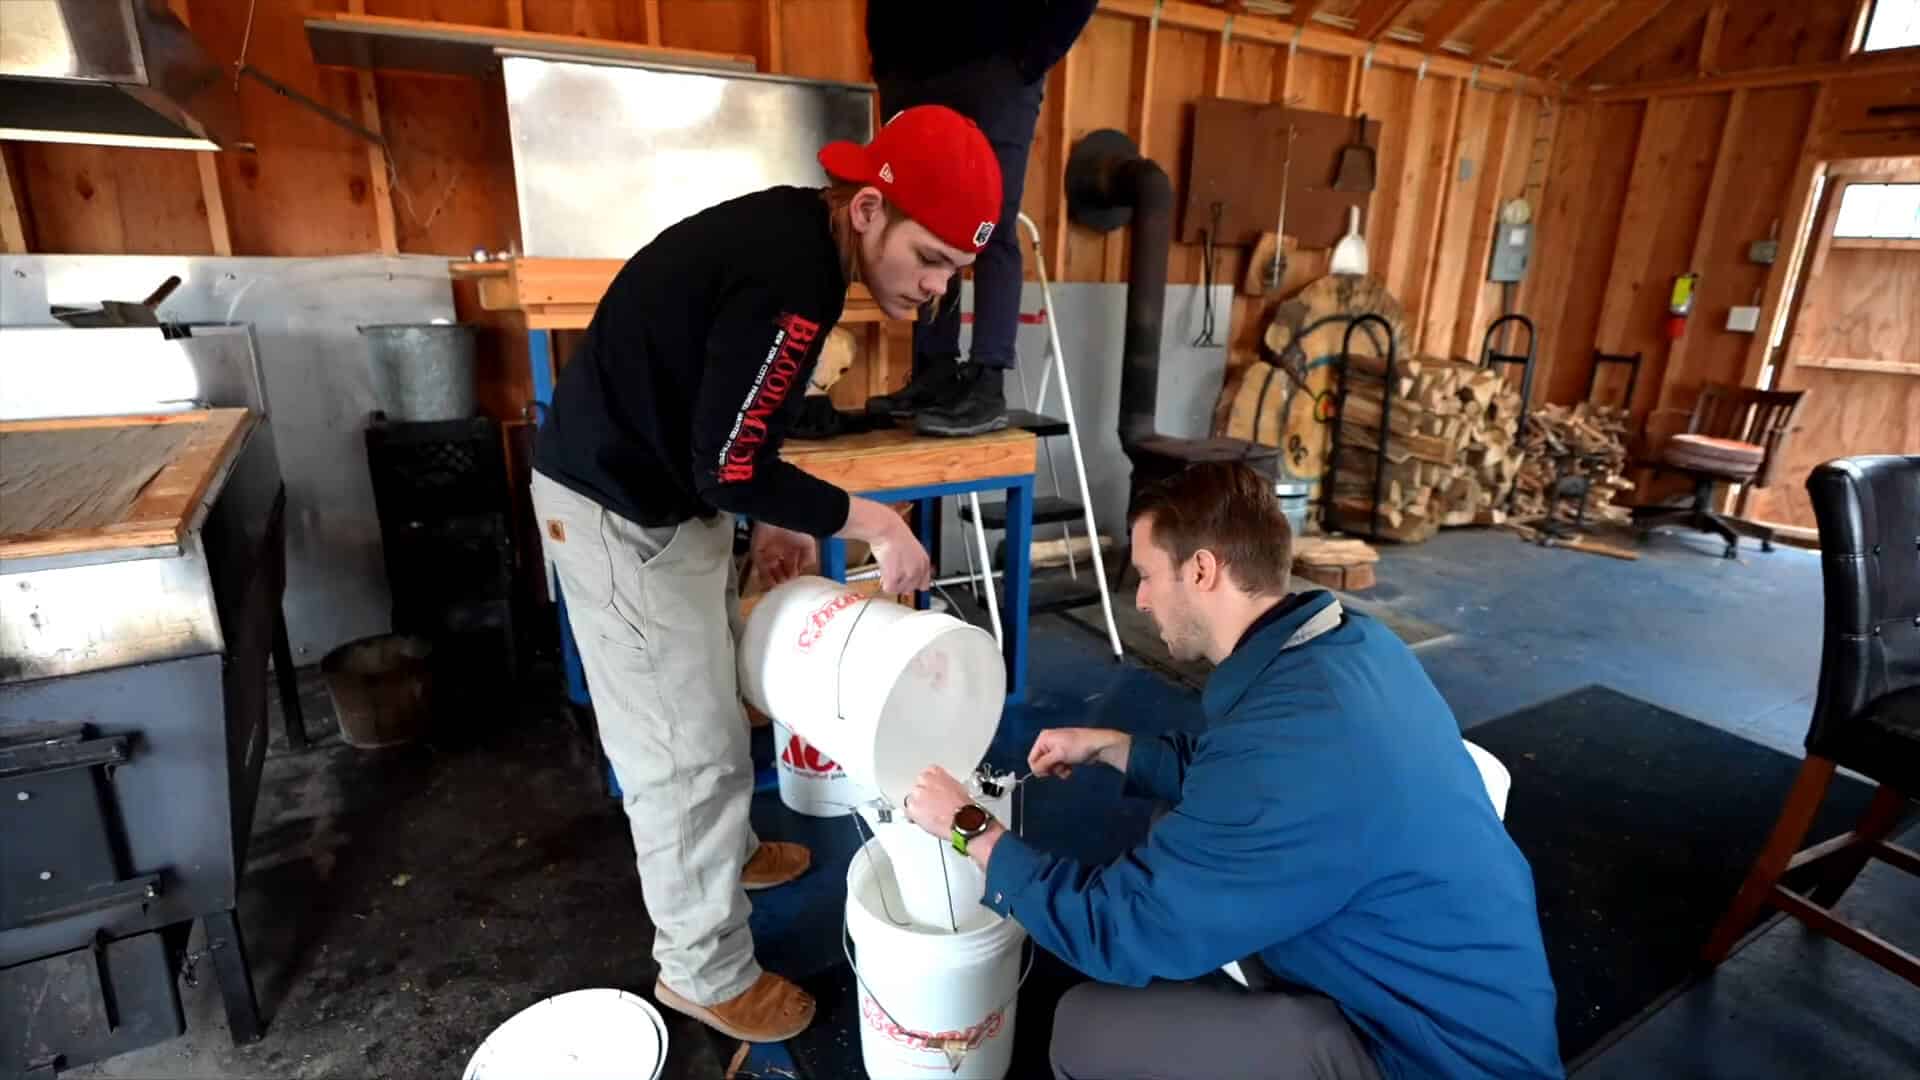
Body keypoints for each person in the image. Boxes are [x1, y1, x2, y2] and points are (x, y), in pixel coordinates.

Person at [530, 106, 1004, 1043]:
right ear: (870, 208)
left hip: (668, 495)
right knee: (685, 751)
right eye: (934, 258)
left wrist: (775, 520)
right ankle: (701, 971)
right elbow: (726, 463)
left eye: (956, 270)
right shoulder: (790, 274)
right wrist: (866, 519)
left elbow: (738, 420)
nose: (939, 290)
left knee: (708, 693)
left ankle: (728, 852)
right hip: (617, 510)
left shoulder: (802, 246)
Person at [904, 462, 1564, 1078]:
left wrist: (969, 827)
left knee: (1084, 1028)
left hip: (1427, 1059)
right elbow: (1240, 776)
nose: (1139, 600)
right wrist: (1106, 744)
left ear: (1201, 571)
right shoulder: (1350, 646)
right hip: (1440, 983)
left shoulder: (1290, 751)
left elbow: (1115, 929)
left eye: (1146, 575)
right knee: (1176, 822)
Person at [863, 0, 1100, 436]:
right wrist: (883, 54)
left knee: (989, 224)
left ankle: (988, 380)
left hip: (996, 62)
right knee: (919, 219)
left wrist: (1030, 57)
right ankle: (934, 369)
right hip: (908, 64)